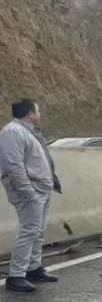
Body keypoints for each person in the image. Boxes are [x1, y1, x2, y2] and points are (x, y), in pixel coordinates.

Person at [0, 99, 62, 291]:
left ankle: (33, 268)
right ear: (30, 113)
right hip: (31, 191)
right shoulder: (13, 132)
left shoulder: (29, 132)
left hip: (42, 189)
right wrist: (28, 192)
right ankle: (16, 275)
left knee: (37, 231)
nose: (39, 113)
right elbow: (13, 165)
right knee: (28, 232)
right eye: (38, 110)